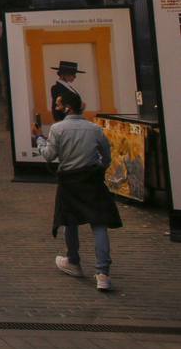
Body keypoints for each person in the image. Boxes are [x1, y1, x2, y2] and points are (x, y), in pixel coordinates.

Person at [32, 87, 121, 293]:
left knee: (69, 220)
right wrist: (99, 167)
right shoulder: (94, 129)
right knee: (99, 223)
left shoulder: (58, 129)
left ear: (68, 107)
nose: (56, 107)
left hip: (69, 180)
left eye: (59, 104)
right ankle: (103, 273)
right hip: (91, 179)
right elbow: (106, 156)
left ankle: (73, 260)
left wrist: (39, 138)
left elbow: (49, 155)